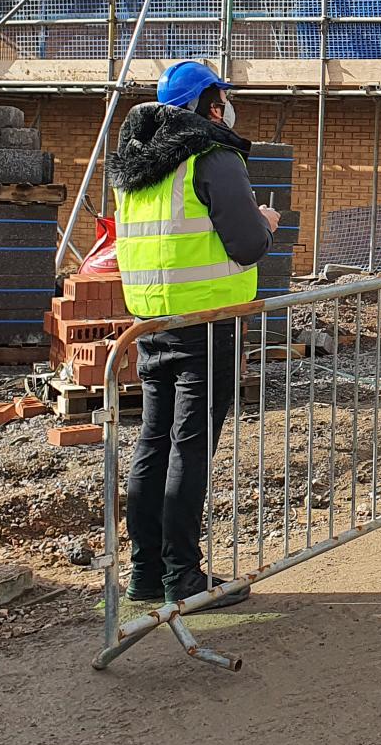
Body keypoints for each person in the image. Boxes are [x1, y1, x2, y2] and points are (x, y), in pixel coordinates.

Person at [109, 60, 279, 610]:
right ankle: (182, 575)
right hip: (206, 325)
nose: (225, 108)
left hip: (153, 324)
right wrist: (268, 222)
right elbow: (248, 243)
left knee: (152, 445)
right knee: (188, 449)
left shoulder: (137, 167)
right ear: (208, 105)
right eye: (220, 98)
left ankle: (145, 574)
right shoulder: (211, 155)